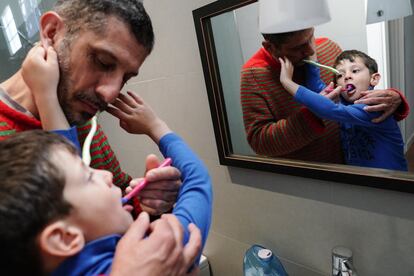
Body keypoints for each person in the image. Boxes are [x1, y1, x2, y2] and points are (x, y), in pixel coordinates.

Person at [0, 0, 180, 216]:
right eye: (103, 62)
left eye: (126, 78)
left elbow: (116, 198)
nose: (111, 93)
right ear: (51, 32)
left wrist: (145, 205)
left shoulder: (83, 122)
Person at [0, 94, 212, 275]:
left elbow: (63, 174)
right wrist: (157, 127)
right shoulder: (155, 257)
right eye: (89, 177)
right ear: (63, 238)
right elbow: (197, 180)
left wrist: (46, 95)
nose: (106, 175)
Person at [240, 0, 409, 163]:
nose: (311, 50)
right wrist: (313, 113)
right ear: (270, 47)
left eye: (311, 36)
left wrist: (394, 98)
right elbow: (260, 143)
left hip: (353, 167)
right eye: (298, 47)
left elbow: (353, 93)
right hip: (309, 182)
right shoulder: (254, 76)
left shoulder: (329, 47)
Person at [278, 50, 408, 171]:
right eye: (340, 74)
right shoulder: (343, 102)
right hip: (361, 180)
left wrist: (287, 82)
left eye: (355, 71)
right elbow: (317, 88)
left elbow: (329, 109)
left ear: (374, 78)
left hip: (391, 181)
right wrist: (312, 58)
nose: (347, 77)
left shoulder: (374, 106)